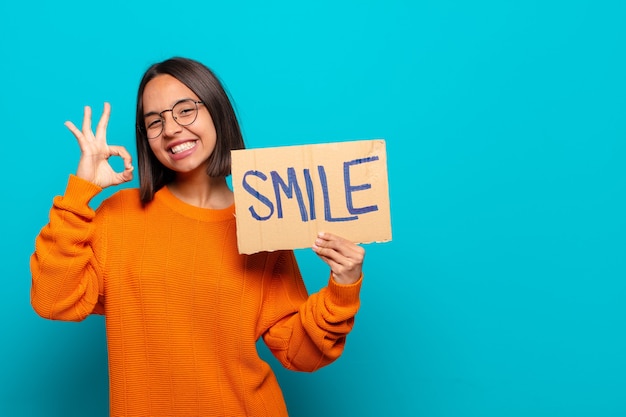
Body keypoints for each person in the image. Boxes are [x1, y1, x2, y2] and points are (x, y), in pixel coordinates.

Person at [30, 57, 365, 417]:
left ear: (216, 111)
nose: (171, 128)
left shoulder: (263, 221)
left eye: (185, 110)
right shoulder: (119, 215)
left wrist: (343, 286)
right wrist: (80, 193)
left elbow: (302, 354)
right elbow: (53, 301)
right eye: (154, 122)